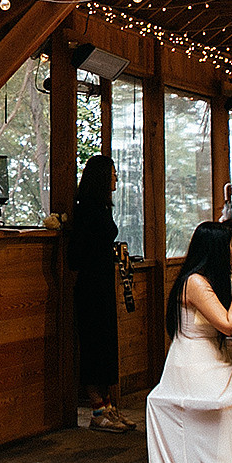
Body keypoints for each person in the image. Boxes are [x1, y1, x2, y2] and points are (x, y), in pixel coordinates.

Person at [140, 222, 232, 463]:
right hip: (195, 369)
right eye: (229, 246)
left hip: (212, 363)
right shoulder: (195, 282)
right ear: (216, 249)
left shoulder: (208, 280)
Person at [67, 155, 134, 433]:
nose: (116, 178)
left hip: (104, 284)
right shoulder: (87, 210)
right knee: (95, 346)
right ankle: (97, 411)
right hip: (91, 286)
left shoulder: (103, 208)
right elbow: (76, 255)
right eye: (113, 174)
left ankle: (108, 407)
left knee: (107, 346)